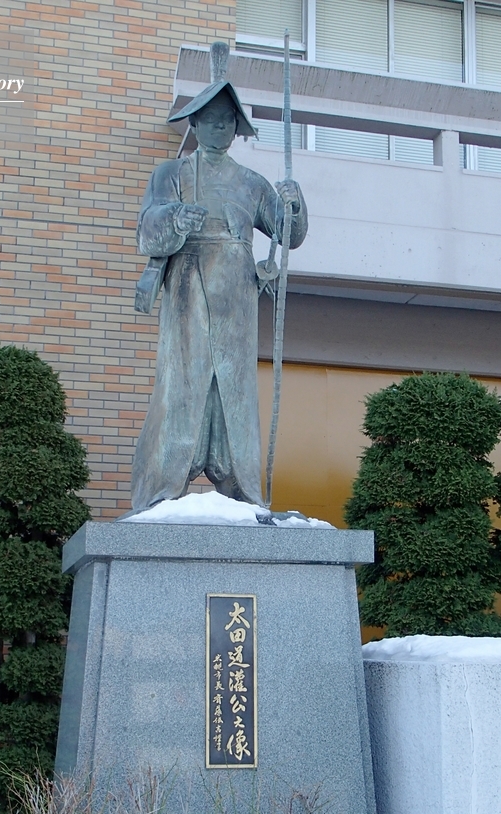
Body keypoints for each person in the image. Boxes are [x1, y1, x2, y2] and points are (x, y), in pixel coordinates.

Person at [130, 62, 308, 514]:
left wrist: (294, 203)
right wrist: (175, 218)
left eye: (227, 122)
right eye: (210, 121)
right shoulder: (171, 173)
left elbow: (286, 233)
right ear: (195, 124)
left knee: (235, 386)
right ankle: (163, 484)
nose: (219, 129)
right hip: (188, 287)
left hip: (237, 296)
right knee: (182, 381)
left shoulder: (251, 183)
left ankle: (242, 486)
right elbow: (147, 229)